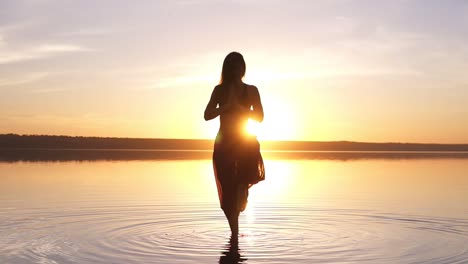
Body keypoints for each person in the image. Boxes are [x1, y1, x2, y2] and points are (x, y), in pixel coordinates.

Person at [204, 51, 264, 237]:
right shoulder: (219, 90)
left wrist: (241, 109)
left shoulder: (251, 90)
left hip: (244, 144)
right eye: (231, 66)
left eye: (238, 65)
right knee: (227, 191)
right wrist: (225, 107)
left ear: (243, 68)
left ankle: (235, 235)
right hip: (224, 145)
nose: (235, 69)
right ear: (226, 69)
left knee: (240, 188)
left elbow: (260, 117)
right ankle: (235, 235)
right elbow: (207, 115)